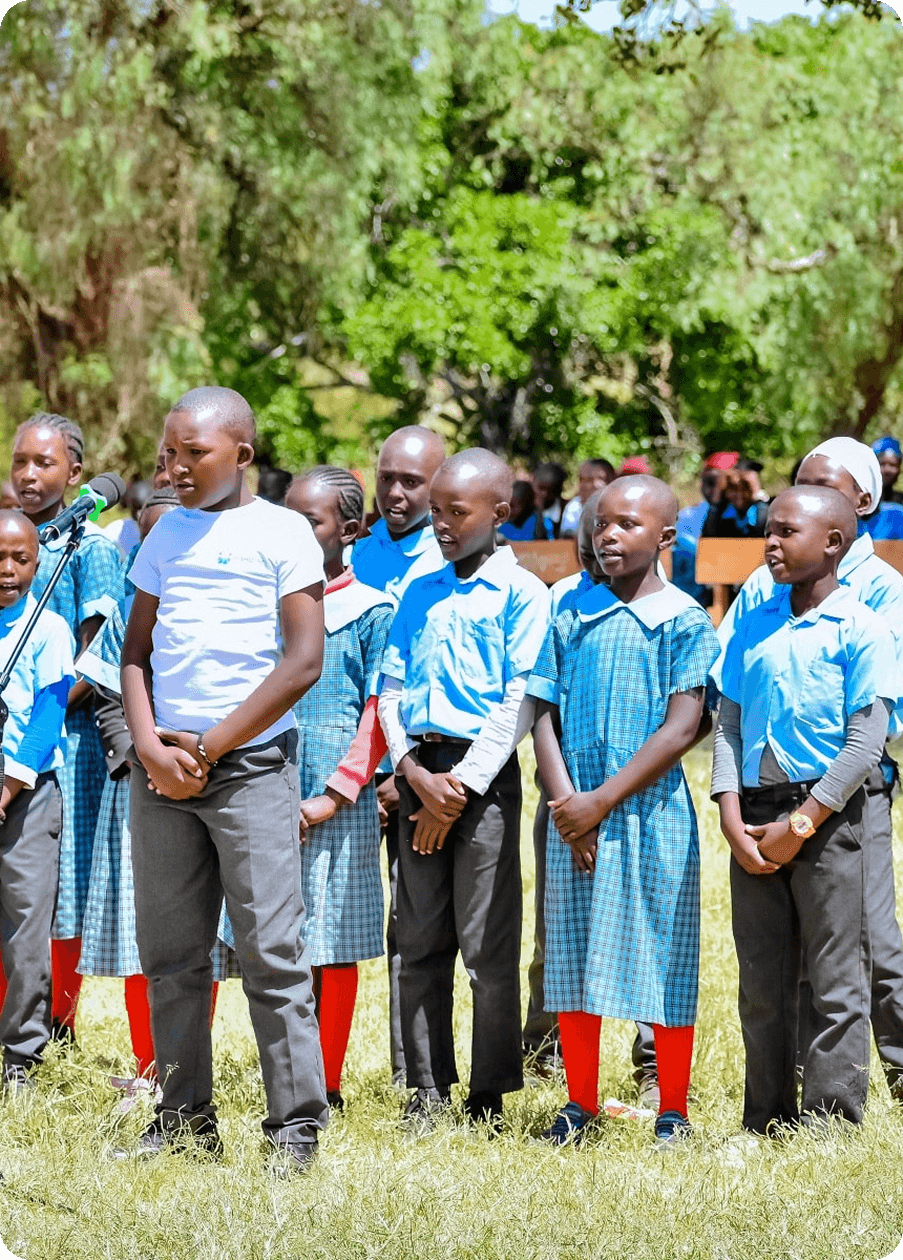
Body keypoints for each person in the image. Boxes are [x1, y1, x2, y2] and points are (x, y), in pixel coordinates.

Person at [120, 385, 328, 1172]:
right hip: (162, 770)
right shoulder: (164, 536)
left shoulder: (282, 533)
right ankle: (181, 1120)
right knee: (171, 957)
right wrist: (150, 748)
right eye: (167, 453)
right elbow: (133, 654)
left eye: (192, 454)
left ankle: (295, 1128)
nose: (173, 468)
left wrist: (206, 748)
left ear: (242, 454)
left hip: (246, 771)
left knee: (271, 953)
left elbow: (302, 661)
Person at [712, 436, 903, 1106]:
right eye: (768, 528)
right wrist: (731, 814)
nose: (769, 543)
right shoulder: (755, 617)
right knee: (764, 976)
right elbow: (729, 719)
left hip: (834, 807)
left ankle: (837, 1111)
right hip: (757, 811)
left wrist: (803, 818)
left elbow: (868, 734)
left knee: (844, 969)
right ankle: (764, 1114)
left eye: (785, 531)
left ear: (838, 534)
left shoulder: (868, 612)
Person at [528, 475, 719, 1149]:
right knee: (574, 958)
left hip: (648, 816)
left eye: (627, 525)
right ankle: (578, 1103)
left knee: (663, 954)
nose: (608, 535)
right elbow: (541, 710)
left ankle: (672, 1110)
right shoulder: (569, 614)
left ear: (666, 537)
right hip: (572, 814)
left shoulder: (683, 621)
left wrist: (600, 803)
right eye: (601, 523)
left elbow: (680, 727)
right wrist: (566, 806)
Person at [378, 449, 550, 1129]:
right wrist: (413, 773)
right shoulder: (418, 590)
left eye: (457, 512)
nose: (441, 523)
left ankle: (487, 1092)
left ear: (498, 514)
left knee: (484, 941)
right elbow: (389, 689)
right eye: (437, 510)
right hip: (419, 771)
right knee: (418, 937)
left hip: (482, 784)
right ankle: (427, 1088)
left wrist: (461, 786)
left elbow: (520, 699)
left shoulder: (520, 594)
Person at [76, 486, 238, 1108]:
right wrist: (142, 758)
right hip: (138, 786)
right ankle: (150, 1070)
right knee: (143, 934)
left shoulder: (224, 605)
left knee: (205, 936)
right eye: (148, 539)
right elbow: (109, 695)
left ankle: (188, 1066)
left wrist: (197, 759)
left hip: (210, 778)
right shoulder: (127, 608)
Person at [9, 412, 124, 1044]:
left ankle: (61, 1022)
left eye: (44, 464)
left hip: (69, 739)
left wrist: (43, 707)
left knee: (61, 881)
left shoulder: (92, 548)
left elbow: (97, 656)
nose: (28, 474)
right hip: (11, 732)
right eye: (19, 461)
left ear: (75, 474)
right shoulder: (13, 540)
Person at [283, 468, 394, 1112]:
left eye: (313, 521)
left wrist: (335, 792)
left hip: (337, 799)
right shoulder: (273, 600)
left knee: (333, 943)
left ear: (349, 530)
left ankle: (327, 1080)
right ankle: (289, 1067)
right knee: (277, 938)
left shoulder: (370, 609)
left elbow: (377, 709)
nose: (297, 532)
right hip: (270, 782)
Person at [350, 425, 446, 1086]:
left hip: (410, 773)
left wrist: (393, 772)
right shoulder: (355, 553)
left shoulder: (445, 560)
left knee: (411, 930)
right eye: (386, 476)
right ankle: (317, 1073)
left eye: (411, 481)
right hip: (340, 771)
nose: (394, 491)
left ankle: (413, 1075)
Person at [522, 491, 606, 1070]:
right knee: (554, 925)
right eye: (584, 550)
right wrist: (563, 799)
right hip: (560, 791)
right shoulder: (559, 602)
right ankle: (543, 1037)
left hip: (626, 794)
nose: (594, 561)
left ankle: (650, 1058)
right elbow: (541, 707)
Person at [0, 511, 74, 1089]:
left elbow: (48, 713)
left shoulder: (48, 628)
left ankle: (22, 1052)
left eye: (21, 560)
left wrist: (9, 784)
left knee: (26, 922)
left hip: (27, 795)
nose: (7, 570)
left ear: (37, 562)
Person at [671, 453, 738, 605]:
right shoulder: (690, 515)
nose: (709, 488)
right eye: (706, 481)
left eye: (715, 481)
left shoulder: (745, 512)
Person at [702, 458, 769, 538]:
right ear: (725, 491)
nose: (739, 495)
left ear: (754, 490)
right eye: (733, 490)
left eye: (745, 490)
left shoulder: (763, 512)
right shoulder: (718, 512)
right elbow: (707, 541)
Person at [559, 460, 615, 537]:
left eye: (589, 479)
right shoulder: (575, 506)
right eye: (581, 479)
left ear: (611, 481)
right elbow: (568, 536)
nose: (584, 485)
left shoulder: (621, 506)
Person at [103, 480, 150, 560]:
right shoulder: (116, 529)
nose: (138, 514)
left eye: (143, 508)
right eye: (135, 508)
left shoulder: (161, 529)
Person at [532, 463, 568, 538]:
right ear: (533, 483)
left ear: (559, 490)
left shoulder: (567, 511)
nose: (545, 494)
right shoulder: (519, 507)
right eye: (541, 488)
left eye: (552, 490)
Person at [872, 437, 903, 505]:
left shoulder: (900, 502)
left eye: (892, 465)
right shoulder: (857, 499)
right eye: (882, 464)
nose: (887, 470)